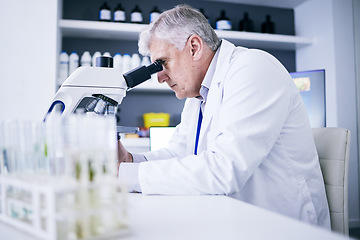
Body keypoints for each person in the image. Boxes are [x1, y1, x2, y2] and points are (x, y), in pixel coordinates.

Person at [117, 4, 330, 228]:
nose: (159, 77)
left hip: (283, 225)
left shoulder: (253, 68)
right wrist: (130, 161)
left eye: (162, 63)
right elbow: (179, 152)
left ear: (194, 47)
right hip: (234, 216)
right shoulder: (198, 94)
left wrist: (127, 175)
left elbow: (225, 170)